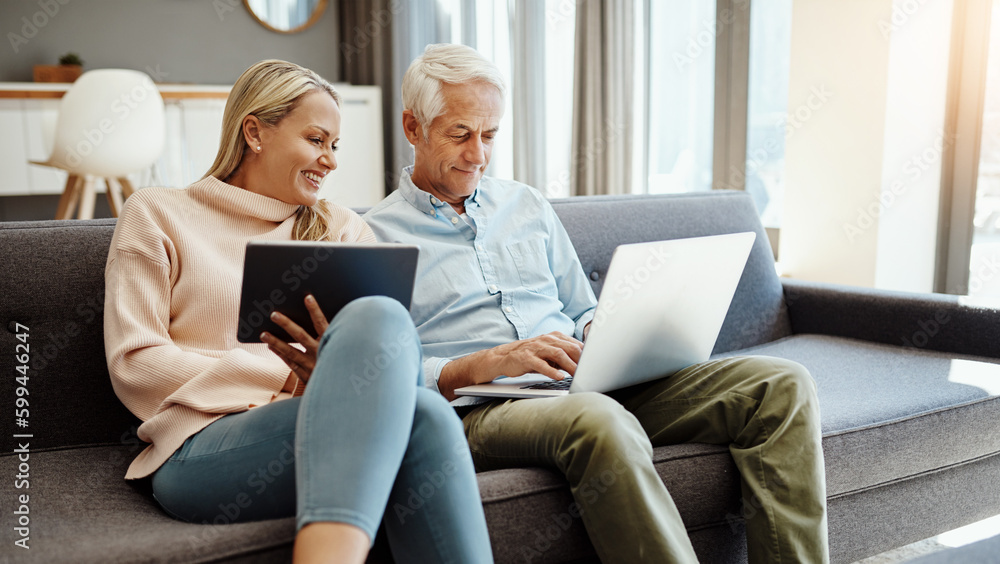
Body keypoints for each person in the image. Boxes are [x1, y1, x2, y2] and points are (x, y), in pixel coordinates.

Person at [363, 43, 830, 564]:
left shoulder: (526, 205)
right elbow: (380, 373)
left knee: (780, 385)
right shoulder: (374, 237)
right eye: (460, 135)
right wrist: (486, 362)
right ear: (413, 128)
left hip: (584, 383)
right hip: (483, 412)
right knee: (598, 418)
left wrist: (607, 332)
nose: (478, 155)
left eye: (490, 135)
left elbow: (582, 307)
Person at [103, 59, 493, 564]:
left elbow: (395, 365)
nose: (329, 161)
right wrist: (285, 377)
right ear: (254, 132)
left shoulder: (343, 228)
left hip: (323, 420)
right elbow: (135, 362)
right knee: (421, 411)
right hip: (200, 446)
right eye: (315, 140)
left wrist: (330, 379)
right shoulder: (158, 213)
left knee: (422, 402)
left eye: (334, 146)